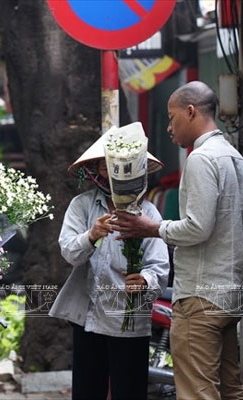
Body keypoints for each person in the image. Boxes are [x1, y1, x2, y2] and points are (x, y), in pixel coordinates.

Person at [110, 81, 243, 400]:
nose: (169, 127)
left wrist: (152, 228)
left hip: (201, 296)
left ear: (191, 112)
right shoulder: (236, 158)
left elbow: (198, 228)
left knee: (197, 392)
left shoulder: (201, 159)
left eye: (172, 117)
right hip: (230, 294)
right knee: (231, 389)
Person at [49, 125, 169, 400]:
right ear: (96, 171)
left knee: (130, 391)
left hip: (130, 324)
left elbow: (159, 268)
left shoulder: (148, 213)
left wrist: (145, 281)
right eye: (106, 167)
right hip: (87, 320)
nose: (113, 174)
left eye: (120, 167)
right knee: (87, 391)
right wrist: (91, 235)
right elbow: (68, 252)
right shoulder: (82, 206)